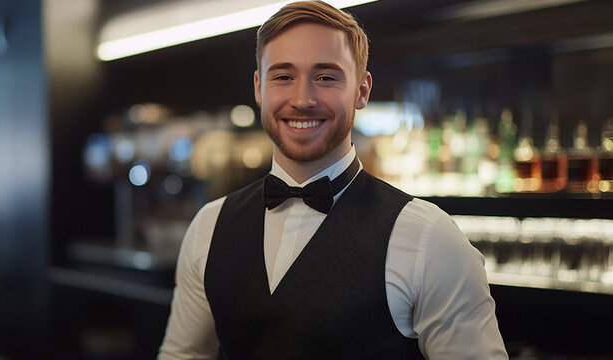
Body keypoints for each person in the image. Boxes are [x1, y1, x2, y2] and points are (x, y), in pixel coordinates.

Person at [158, 1, 507, 359]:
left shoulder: (430, 238)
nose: (303, 99)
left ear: (362, 90)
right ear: (259, 88)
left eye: (326, 77)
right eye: (283, 76)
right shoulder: (209, 227)